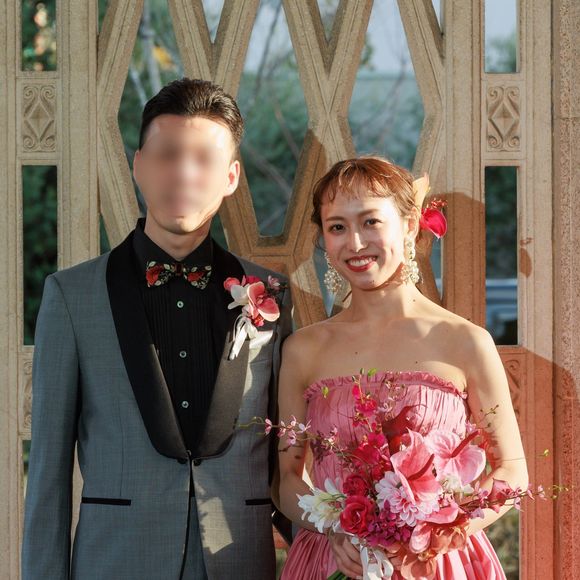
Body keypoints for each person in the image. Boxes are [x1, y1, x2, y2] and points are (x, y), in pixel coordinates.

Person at [22, 78, 292, 580]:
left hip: (239, 561)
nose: (184, 173)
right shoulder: (71, 296)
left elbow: (288, 455)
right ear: (139, 165)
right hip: (116, 562)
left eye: (203, 159)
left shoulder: (272, 295)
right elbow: (48, 472)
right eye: (168, 154)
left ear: (231, 176)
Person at [277, 156, 527, 579]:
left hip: (438, 565)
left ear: (409, 225)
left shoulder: (465, 342)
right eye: (337, 227)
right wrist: (334, 527)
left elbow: (511, 471)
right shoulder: (303, 349)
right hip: (334, 563)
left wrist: (440, 530)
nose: (355, 243)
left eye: (371, 222)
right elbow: (285, 478)